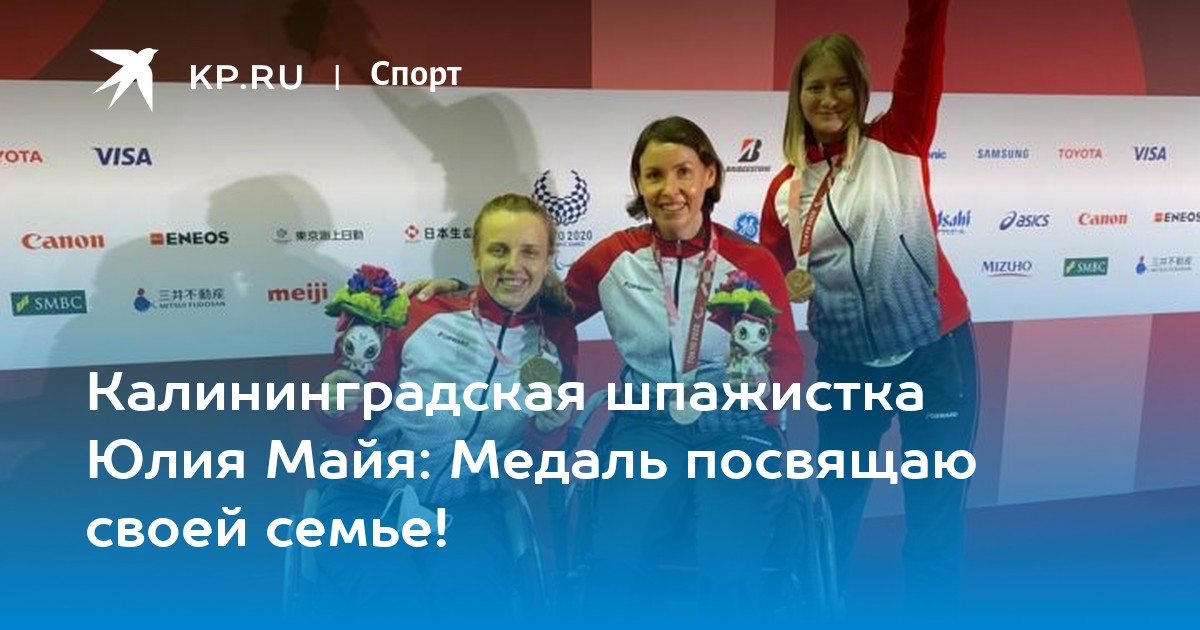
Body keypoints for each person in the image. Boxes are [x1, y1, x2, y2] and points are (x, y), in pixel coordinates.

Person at [412, 116, 806, 617]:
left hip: (736, 428)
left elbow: (786, 362)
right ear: (639, 183)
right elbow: (540, 305)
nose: (669, 190)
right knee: (616, 558)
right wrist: (464, 291)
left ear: (709, 175)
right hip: (648, 426)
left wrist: (750, 411)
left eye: (684, 172)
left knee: (727, 561)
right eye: (654, 175)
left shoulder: (751, 261)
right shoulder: (615, 256)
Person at [757, 0, 978, 615]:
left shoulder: (899, 138)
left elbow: (922, 53)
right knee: (837, 504)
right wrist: (779, 286)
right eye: (815, 87)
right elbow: (764, 279)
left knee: (934, 514)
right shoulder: (785, 188)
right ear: (798, 96)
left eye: (842, 85)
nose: (829, 99)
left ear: (861, 90)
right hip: (849, 365)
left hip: (934, 353)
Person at [314, 193, 578, 617]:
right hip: (368, 495)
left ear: (548, 260)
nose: (513, 265)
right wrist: (338, 403)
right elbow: (352, 422)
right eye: (498, 250)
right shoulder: (421, 311)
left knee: (471, 607)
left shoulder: (557, 337)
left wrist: (549, 429)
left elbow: (535, 460)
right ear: (475, 254)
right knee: (391, 603)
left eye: (529, 252)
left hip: (468, 507)